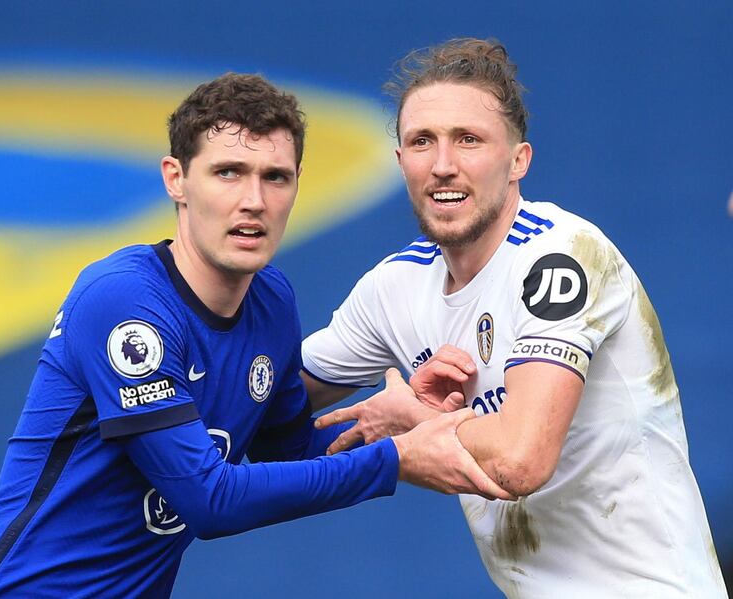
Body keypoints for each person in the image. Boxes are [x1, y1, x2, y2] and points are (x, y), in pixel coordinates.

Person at [0, 73, 505, 599]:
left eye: (275, 177)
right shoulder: (124, 303)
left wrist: (383, 421)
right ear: (176, 179)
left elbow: (291, 452)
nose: (253, 201)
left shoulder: (271, 302)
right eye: (228, 172)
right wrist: (395, 460)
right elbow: (209, 500)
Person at [301, 39, 727, 597]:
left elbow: (521, 460)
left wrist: (410, 423)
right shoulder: (394, 287)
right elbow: (264, 407)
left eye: (469, 140)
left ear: (518, 160)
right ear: (401, 161)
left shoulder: (562, 256)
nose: (443, 165)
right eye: (422, 142)